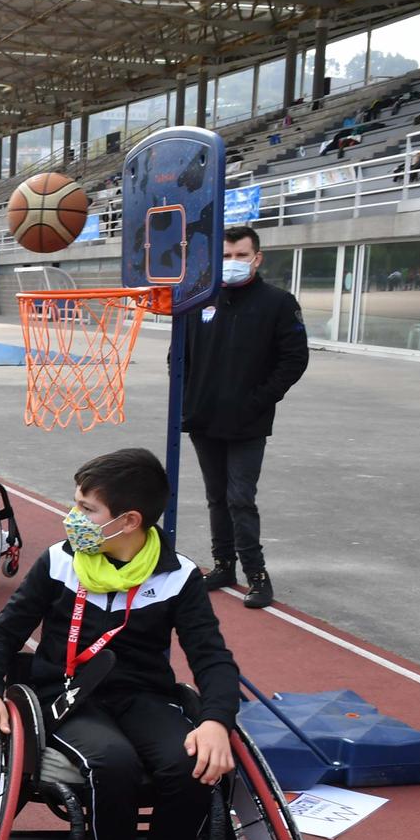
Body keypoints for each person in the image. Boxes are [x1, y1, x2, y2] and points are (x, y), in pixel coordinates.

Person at [0, 448, 239, 840]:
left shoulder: (178, 576)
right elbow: (1, 636)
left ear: (128, 521)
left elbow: (214, 660)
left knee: (192, 764)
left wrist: (216, 722)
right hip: (68, 697)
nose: (74, 518)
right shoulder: (59, 562)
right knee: (110, 761)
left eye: (87, 509)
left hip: (143, 697)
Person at [184, 225, 309, 611]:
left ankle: (256, 573)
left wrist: (259, 400)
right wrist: (189, 396)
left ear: (257, 258)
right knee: (216, 497)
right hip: (204, 417)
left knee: (241, 498)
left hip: (247, 421)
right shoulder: (199, 300)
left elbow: (294, 359)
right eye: (225, 256)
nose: (233, 263)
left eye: (241, 255)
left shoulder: (278, 303)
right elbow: (180, 355)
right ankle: (223, 565)